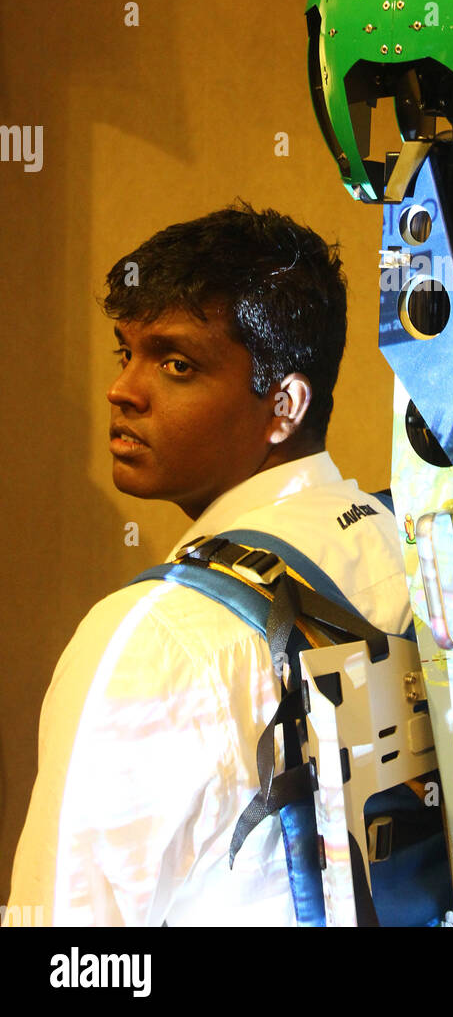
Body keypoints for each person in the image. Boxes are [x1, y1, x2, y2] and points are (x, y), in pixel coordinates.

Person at [5, 202, 409, 926]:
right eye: (125, 352)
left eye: (176, 363)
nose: (123, 389)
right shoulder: (396, 544)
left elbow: (69, 956)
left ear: (283, 405)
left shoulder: (154, 640)